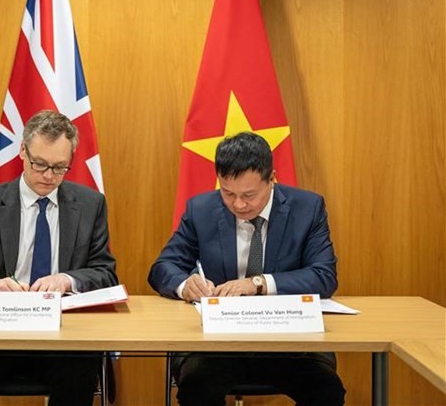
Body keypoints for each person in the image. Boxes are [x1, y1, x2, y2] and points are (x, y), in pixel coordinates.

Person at [0, 110, 117, 406]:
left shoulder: (90, 205)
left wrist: (67, 279)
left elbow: (106, 274)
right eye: (39, 164)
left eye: (59, 167)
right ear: (22, 151)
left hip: (63, 338)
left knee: (81, 370)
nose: (49, 176)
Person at [148, 132, 345, 406]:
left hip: (290, 344)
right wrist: (185, 285)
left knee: (326, 390)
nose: (238, 204)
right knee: (196, 387)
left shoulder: (307, 208)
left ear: (272, 178)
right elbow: (163, 267)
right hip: (217, 345)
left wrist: (258, 283)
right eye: (228, 193)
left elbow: (324, 276)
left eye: (249, 195)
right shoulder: (201, 209)